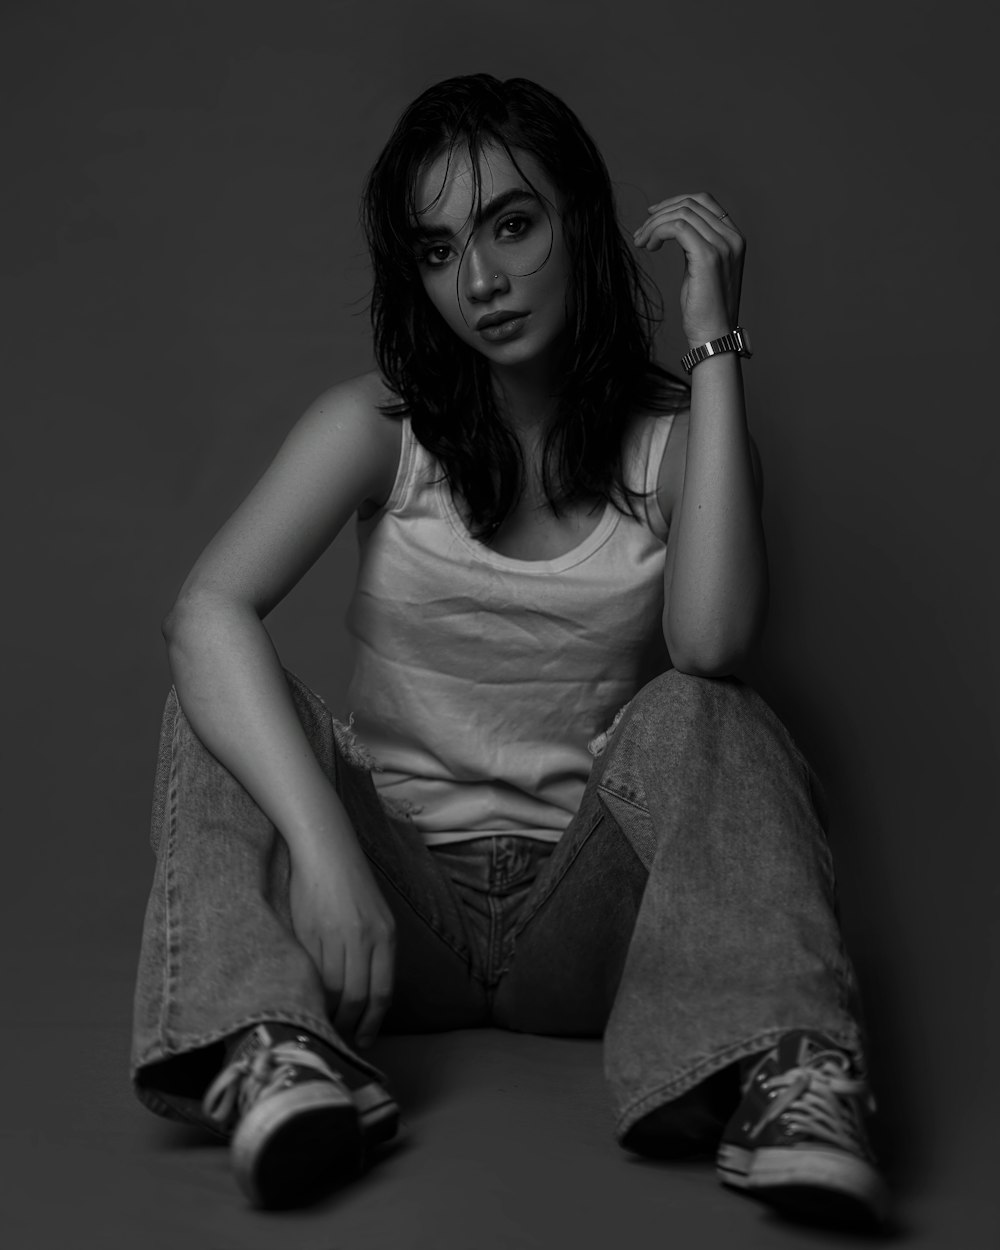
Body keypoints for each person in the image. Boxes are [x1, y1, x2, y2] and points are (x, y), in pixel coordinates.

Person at [131, 73, 889, 1230]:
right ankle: (274, 1048)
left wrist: (714, 344)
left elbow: (713, 639)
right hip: (396, 917)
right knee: (215, 696)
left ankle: (781, 1072)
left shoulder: (674, 448)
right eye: (438, 251)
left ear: (577, 222)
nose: (478, 281)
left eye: (511, 225)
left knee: (713, 706)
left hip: (584, 928)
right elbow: (207, 611)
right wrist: (330, 859)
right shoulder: (376, 432)